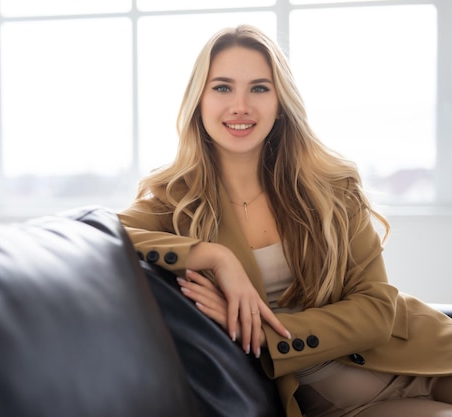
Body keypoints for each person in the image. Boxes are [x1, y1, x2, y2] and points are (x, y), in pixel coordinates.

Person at [118, 24, 452, 417]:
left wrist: (262, 328)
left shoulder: (331, 187)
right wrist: (213, 256)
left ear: (280, 101)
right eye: (222, 87)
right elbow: (94, 230)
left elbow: (377, 308)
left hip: (428, 353)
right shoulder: (174, 204)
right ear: (198, 100)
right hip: (339, 402)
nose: (240, 106)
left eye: (259, 88)